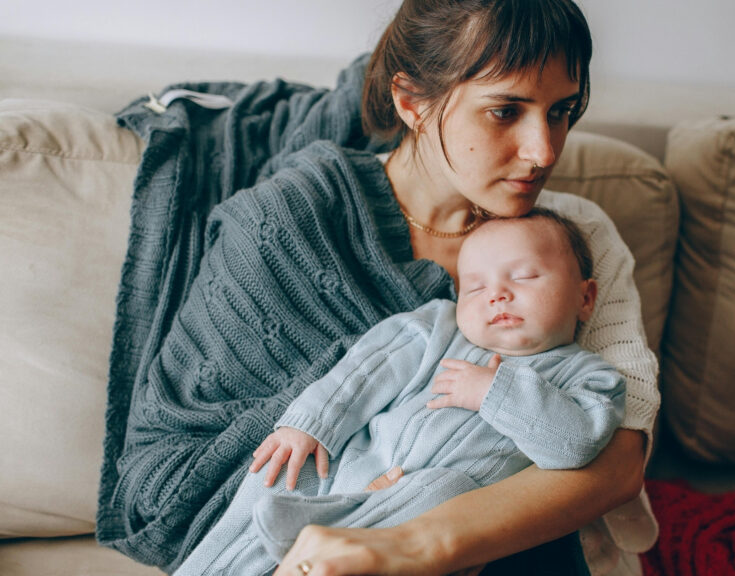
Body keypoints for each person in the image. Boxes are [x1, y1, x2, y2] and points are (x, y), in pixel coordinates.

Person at [98, 1, 660, 574]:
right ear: (412, 102)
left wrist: (415, 538)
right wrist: (356, 492)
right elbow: (180, 466)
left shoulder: (575, 236)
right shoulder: (291, 219)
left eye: (561, 111)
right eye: (505, 111)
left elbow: (618, 461)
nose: (544, 151)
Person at [173, 209, 627, 575]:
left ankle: (321, 549)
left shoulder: (592, 378)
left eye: (524, 277)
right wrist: (309, 423)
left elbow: (575, 446)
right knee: (280, 467)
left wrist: (496, 391)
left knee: (444, 492)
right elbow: (364, 371)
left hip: (418, 514)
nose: (497, 295)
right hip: (353, 463)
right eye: (475, 286)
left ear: (585, 298)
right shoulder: (438, 325)